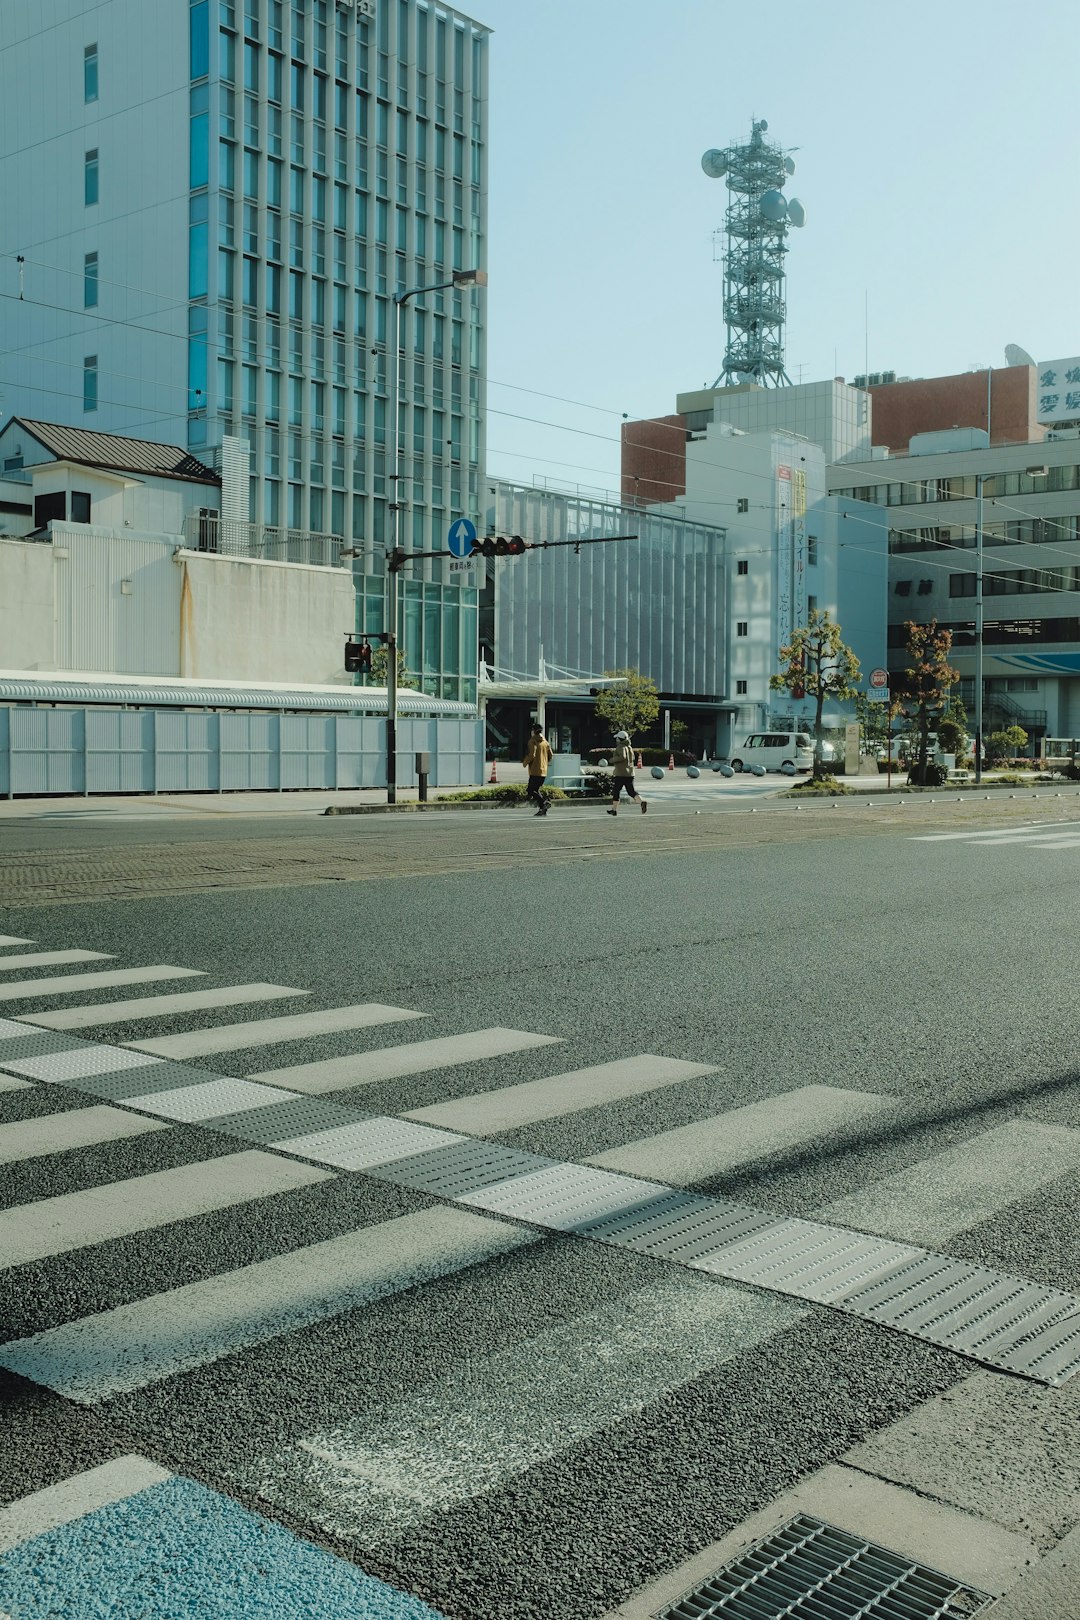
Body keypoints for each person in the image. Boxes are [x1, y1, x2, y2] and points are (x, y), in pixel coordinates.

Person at [607, 730, 647, 816]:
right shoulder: (629, 747)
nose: (616, 739)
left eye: (617, 738)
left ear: (619, 739)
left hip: (621, 773)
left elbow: (622, 757)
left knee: (616, 791)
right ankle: (641, 802)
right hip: (630, 773)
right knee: (631, 791)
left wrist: (612, 760)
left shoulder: (620, 747)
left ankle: (614, 810)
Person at [522, 722, 554, 816]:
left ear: (533, 731)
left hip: (535, 770)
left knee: (530, 790)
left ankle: (544, 803)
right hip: (543, 771)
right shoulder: (545, 742)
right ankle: (542, 810)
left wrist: (525, 762)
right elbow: (551, 755)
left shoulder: (532, 741)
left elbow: (532, 754)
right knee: (536, 789)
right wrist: (544, 762)